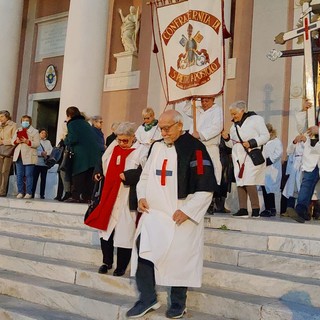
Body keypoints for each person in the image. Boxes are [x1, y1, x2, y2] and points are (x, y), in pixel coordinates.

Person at [126, 110, 217, 319]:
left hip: (180, 212)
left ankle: (178, 302)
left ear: (179, 125)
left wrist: (188, 210)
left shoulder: (195, 148)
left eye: (168, 128)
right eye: (162, 128)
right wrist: (141, 196)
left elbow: (206, 186)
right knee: (144, 250)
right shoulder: (156, 147)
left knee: (180, 258)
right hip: (154, 213)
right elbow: (145, 176)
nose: (164, 132)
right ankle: (147, 298)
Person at [84, 122, 148, 277]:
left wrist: (130, 176)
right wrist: (98, 172)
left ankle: (121, 266)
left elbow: (147, 172)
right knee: (105, 230)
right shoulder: (113, 147)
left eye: (125, 140)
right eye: (119, 140)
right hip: (108, 195)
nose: (121, 143)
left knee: (125, 233)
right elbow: (101, 161)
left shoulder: (142, 150)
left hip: (126, 197)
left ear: (133, 137)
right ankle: (106, 262)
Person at [221, 100, 270, 217]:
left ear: (242, 111)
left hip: (252, 155)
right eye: (231, 114)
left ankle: (255, 209)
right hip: (238, 157)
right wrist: (227, 138)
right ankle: (242, 209)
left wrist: (252, 143)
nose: (233, 116)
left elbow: (266, 136)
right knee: (240, 181)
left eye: (234, 114)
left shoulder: (256, 120)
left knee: (249, 180)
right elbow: (232, 144)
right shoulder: (234, 126)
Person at [182, 96, 223, 214]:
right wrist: (189, 99)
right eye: (203, 101)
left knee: (211, 172)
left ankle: (210, 201)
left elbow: (216, 127)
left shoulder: (217, 111)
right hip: (196, 147)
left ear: (213, 100)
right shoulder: (198, 110)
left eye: (207, 101)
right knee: (197, 172)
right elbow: (187, 110)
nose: (204, 103)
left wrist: (201, 134)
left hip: (209, 146)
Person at [287, 99, 320, 223]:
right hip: (312, 154)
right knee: (307, 181)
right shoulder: (314, 112)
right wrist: (304, 111)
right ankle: (301, 210)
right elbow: (302, 129)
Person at [64, 106, 101, 203]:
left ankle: (75, 196)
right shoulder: (85, 123)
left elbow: (73, 138)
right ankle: (87, 197)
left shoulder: (71, 123)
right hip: (93, 153)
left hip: (81, 154)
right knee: (89, 175)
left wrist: (66, 140)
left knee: (78, 174)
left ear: (69, 115)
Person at [12, 115, 40, 199]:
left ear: (30, 122)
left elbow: (37, 144)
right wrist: (16, 141)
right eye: (23, 120)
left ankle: (28, 192)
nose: (25, 122)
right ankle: (20, 191)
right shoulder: (18, 130)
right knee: (19, 174)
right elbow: (12, 141)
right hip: (19, 155)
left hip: (29, 155)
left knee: (29, 175)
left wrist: (27, 141)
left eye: (27, 120)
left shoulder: (35, 131)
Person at [260, 123, 283, 217]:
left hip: (273, 168)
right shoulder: (264, 142)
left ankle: (269, 209)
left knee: (269, 189)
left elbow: (279, 152)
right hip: (264, 168)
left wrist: (270, 160)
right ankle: (270, 208)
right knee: (265, 188)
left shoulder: (276, 141)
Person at [32, 129, 53, 199]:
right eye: (42, 133)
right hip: (37, 163)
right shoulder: (36, 141)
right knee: (34, 179)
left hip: (44, 164)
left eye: (45, 133)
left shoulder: (48, 142)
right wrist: (41, 153)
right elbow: (34, 151)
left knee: (43, 180)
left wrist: (46, 153)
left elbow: (51, 150)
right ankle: (32, 193)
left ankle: (42, 194)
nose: (43, 134)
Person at [0, 110, 17, 196]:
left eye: (2, 116)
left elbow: (14, 140)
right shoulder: (0, 126)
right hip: (0, 150)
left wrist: (3, 142)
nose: (0, 118)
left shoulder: (13, 125)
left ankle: (2, 191)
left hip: (7, 151)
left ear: (7, 117)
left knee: (4, 172)